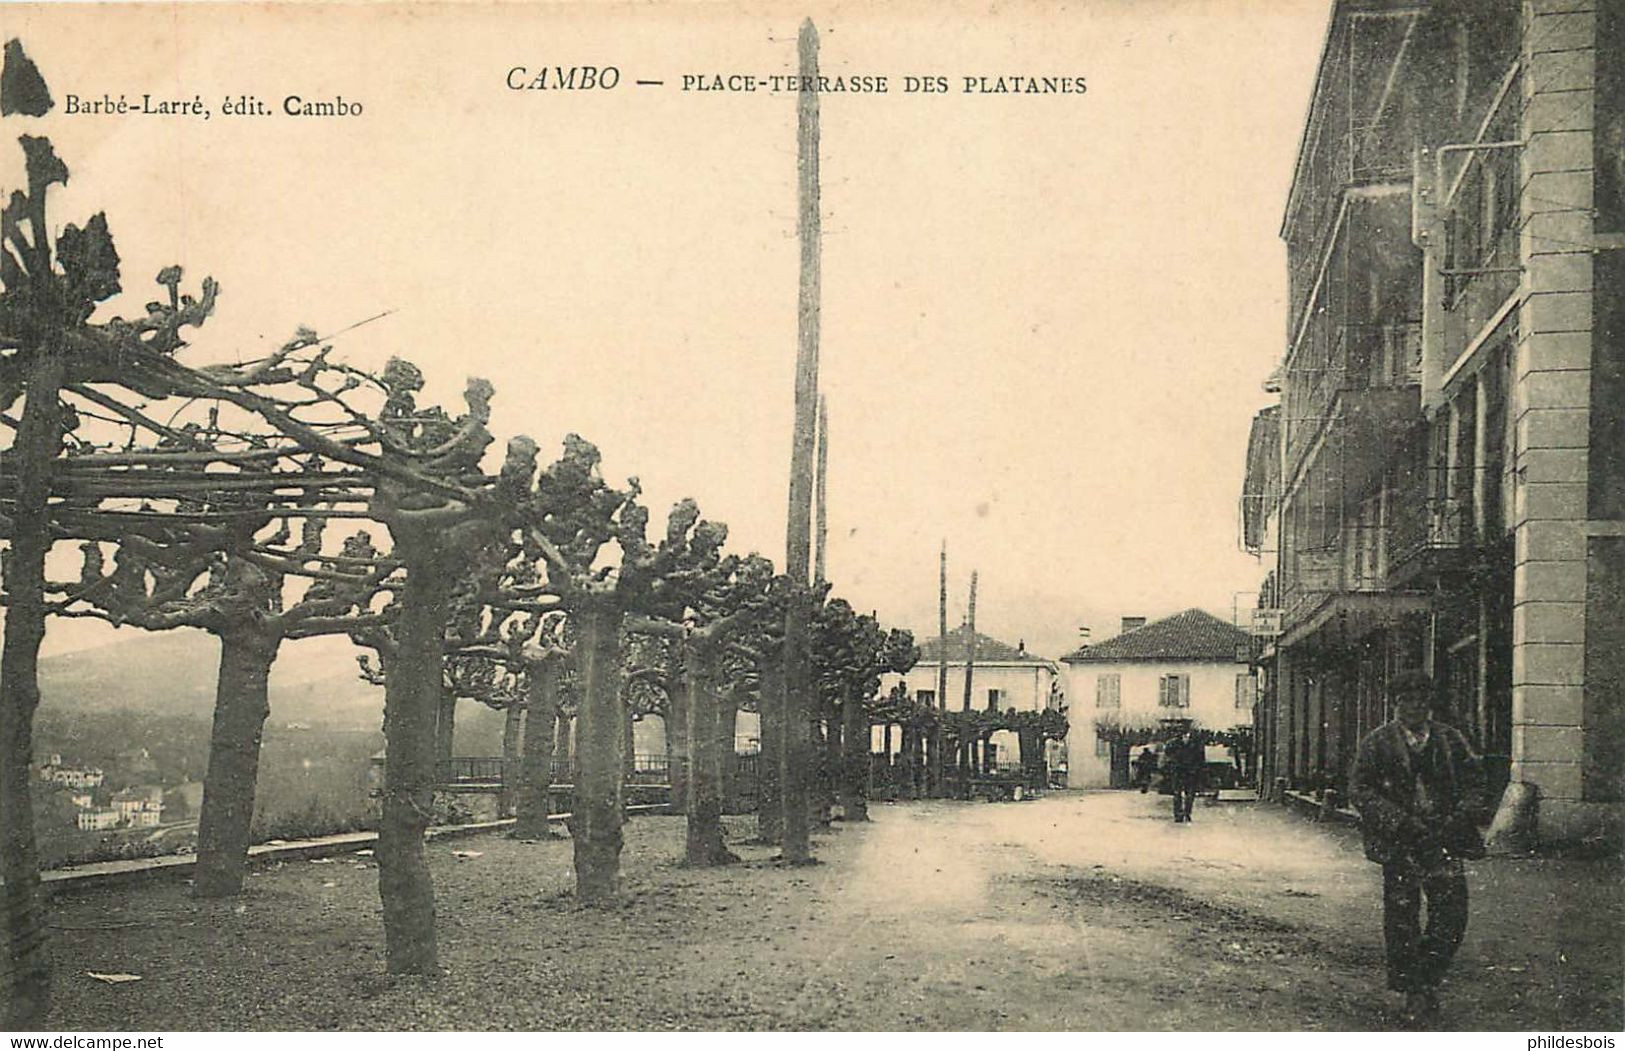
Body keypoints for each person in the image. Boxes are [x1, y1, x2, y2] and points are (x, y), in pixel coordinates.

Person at [1349, 670, 1486, 1023]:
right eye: (1406, 700)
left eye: (1421, 700)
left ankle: (1426, 977)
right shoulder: (1377, 743)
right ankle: (1415, 991)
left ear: (1429, 703)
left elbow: (1476, 784)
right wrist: (1399, 821)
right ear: (1395, 704)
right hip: (1401, 845)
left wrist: (1459, 818)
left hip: (1444, 842)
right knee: (1402, 920)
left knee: (1452, 917)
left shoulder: (1451, 740)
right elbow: (1360, 790)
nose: (1414, 707)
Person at [1163, 727, 1205, 822]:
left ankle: (1187, 813)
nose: (1185, 736)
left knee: (1189, 794)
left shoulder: (1195, 743)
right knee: (1177, 793)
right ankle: (1178, 814)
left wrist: (1199, 769)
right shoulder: (1173, 743)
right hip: (1179, 771)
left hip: (1190, 771)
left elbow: (1201, 757)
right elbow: (1167, 754)